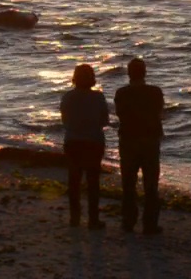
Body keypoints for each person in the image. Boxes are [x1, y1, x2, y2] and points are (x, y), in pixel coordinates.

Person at [114, 57, 164, 234]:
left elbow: (120, 114)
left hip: (128, 140)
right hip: (150, 140)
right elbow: (159, 112)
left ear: (129, 74)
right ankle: (150, 224)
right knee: (151, 184)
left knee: (128, 183)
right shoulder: (155, 92)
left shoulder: (121, 93)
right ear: (145, 73)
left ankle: (128, 221)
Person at [59, 63, 109, 229]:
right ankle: (93, 219)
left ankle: (75, 218)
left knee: (74, 180)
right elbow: (105, 121)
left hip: (73, 141)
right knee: (93, 181)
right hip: (94, 142)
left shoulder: (67, 97)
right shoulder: (98, 97)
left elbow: (64, 120)